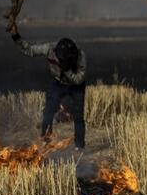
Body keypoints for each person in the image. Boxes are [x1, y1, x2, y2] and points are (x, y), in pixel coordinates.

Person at [7, 21, 87, 149]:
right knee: (48, 112)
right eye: (62, 60)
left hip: (76, 86)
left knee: (78, 116)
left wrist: (66, 70)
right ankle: (45, 139)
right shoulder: (49, 49)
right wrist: (15, 36)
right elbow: (29, 50)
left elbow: (78, 79)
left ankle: (80, 146)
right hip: (57, 83)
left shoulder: (81, 55)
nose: (64, 61)